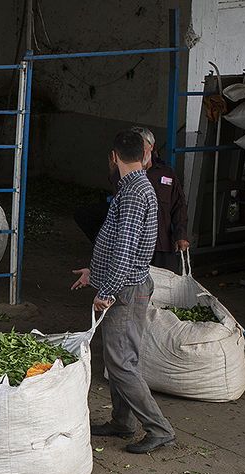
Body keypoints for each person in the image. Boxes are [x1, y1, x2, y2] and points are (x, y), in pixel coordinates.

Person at [71, 130, 177, 454]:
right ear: (144, 155)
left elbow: (126, 249)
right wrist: (95, 271)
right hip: (127, 283)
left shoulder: (133, 193)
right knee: (122, 357)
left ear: (114, 156)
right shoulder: (134, 187)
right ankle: (122, 421)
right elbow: (118, 242)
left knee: (120, 363)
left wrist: (108, 290)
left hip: (126, 289)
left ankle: (159, 429)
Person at [73, 126, 190, 270]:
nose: (138, 151)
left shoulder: (166, 173)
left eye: (142, 146)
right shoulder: (123, 172)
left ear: (151, 147)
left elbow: (179, 206)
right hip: (134, 246)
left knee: (165, 286)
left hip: (161, 245)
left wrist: (181, 235)